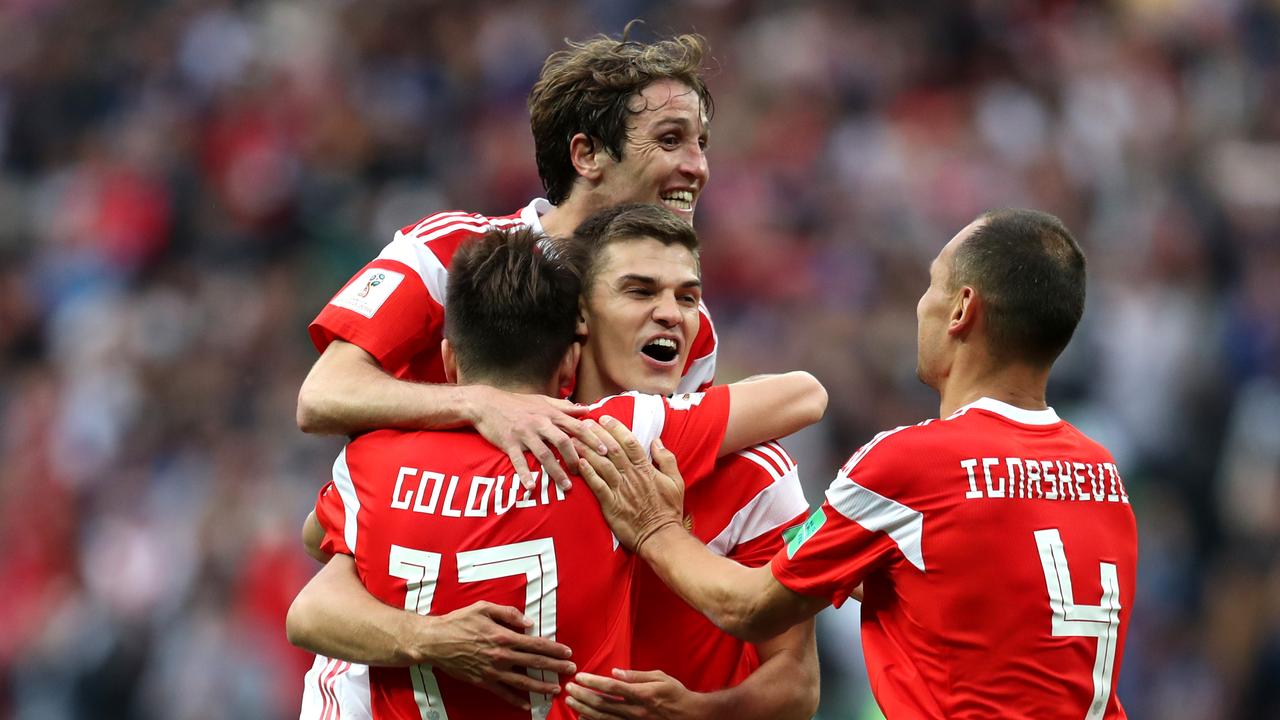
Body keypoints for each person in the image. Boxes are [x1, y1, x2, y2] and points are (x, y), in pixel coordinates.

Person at [574, 209, 1139, 719]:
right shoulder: (1104, 474)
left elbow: (748, 608)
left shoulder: (912, 465)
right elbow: (952, 599)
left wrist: (655, 527)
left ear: (962, 309)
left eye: (931, 284)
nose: (922, 303)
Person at [291, 204, 821, 718]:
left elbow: (796, 683)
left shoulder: (756, 470)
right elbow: (321, 588)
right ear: (580, 322)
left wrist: (696, 713)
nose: (671, 313)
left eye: (689, 298)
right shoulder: (558, 435)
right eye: (639, 290)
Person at [296, 25, 716, 489]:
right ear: (588, 154)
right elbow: (323, 395)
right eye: (671, 140)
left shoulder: (681, 321)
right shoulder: (448, 250)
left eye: (701, 144)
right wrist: (481, 404)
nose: (697, 167)